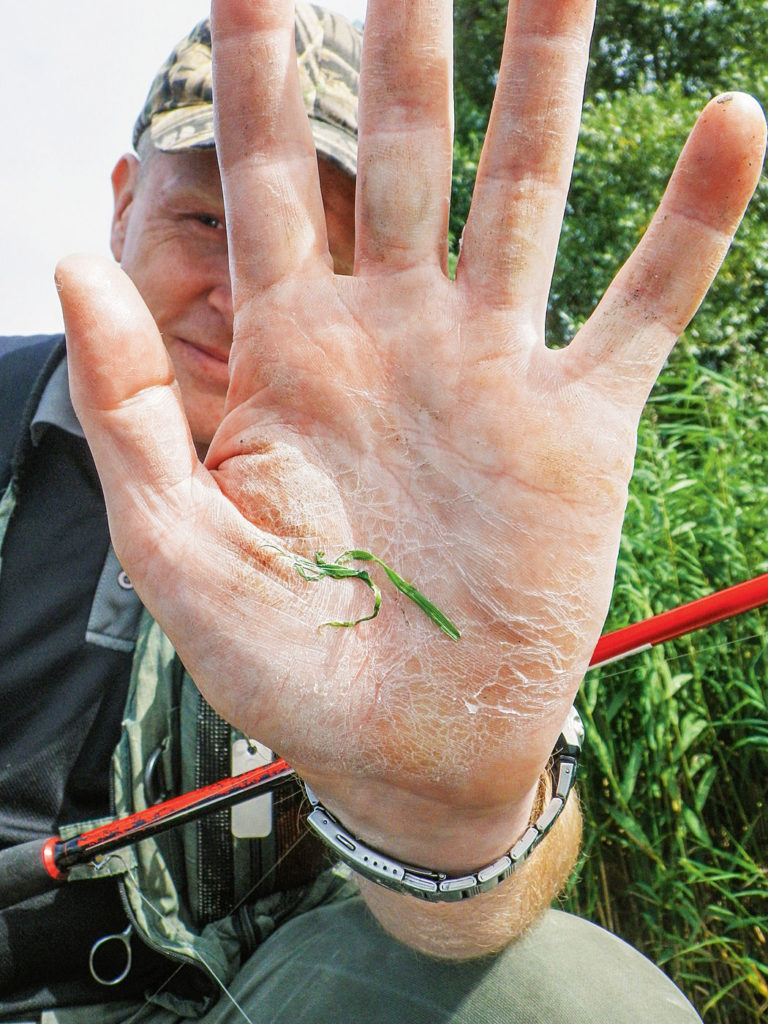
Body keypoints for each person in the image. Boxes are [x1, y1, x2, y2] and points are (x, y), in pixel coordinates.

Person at [1, 1, 765, 1022]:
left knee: (562, 994)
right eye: (204, 221)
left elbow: (510, 881)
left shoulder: (417, 505)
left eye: (331, 262)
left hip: (224, 999)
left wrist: (458, 823)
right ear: (121, 205)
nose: (237, 293)